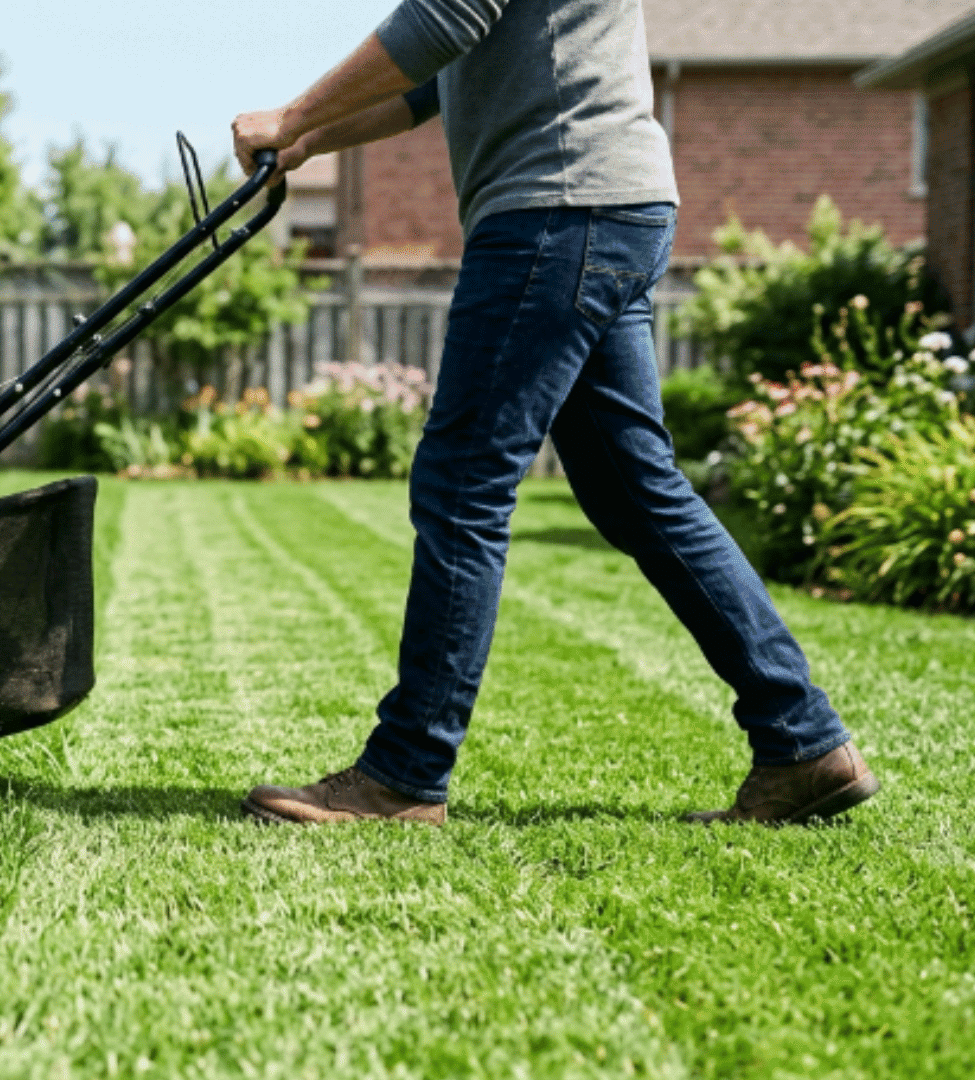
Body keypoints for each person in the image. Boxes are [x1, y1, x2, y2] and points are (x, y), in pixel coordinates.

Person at [230, 0, 879, 827]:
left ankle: (404, 772)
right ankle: (803, 742)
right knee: (634, 490)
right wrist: (316, 136)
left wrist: (291, 112)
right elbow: (443, 78)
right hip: (609, 203)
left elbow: (443, 19)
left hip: (556, 209)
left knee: (464, 484)